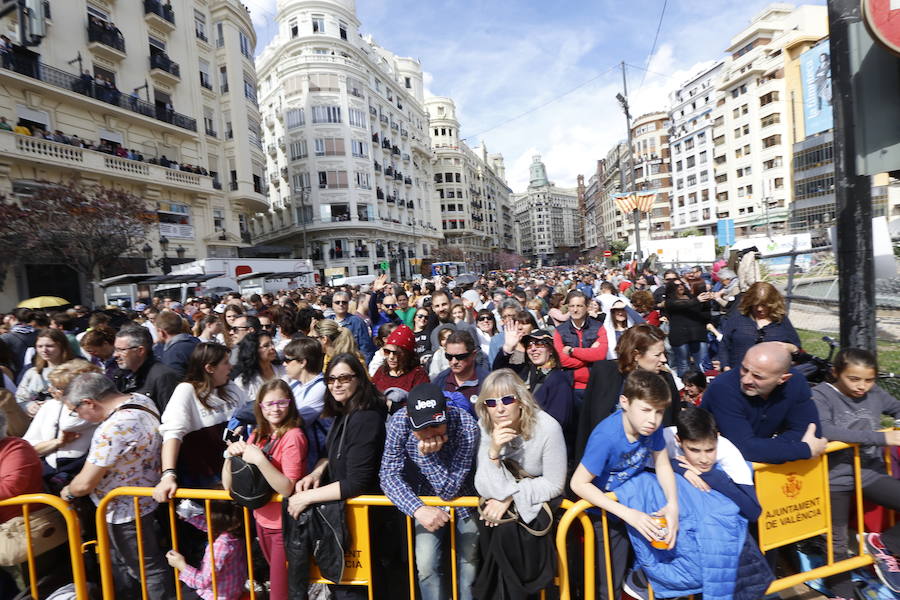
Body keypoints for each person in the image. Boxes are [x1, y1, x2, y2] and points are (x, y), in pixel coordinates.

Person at [60, 373, 175, 598]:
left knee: (145, 568)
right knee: (141, 565)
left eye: (75, 411)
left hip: (124, 511)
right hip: (144, 501)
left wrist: (68, 490)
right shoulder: (141, 400)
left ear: (89, 403)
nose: (77, 416)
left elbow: (84, 484)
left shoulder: (112, 428)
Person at [284, 353, 387, 600]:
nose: (336, 385)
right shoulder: (346, 411)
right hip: (346, 520)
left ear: (359, 380)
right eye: (331, 380)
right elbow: (334, 452)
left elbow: (357, 482)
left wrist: (306, 497)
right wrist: (318, 470)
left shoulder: (366, 417)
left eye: (343, 378)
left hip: (368, 523)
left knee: (354, 593)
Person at [570, 370, 679, 600]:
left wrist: (672, 504)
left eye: (660, 412)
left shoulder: (652, 427)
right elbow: (578, 483)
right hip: (603, 516)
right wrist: (627, 514)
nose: (654, 420)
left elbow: (662, 464)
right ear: (624, 402)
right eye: (646, 410)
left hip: (633, 505)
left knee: (648, 569)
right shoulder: (607, 436)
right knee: (607, 583)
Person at [811, 348, 900, 596]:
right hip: (834, 477)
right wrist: (881, 438)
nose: (862, 386)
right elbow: (826, 430)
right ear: (835, 372)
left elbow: (897, 408)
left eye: (869, 380)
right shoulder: (820, 395)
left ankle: (885, 544)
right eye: (854, 379)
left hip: (869, 472)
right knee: (837, 540)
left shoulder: (874, 393)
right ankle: (841, 588)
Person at [379, 383, 479, 600]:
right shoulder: (400, 422)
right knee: (426, 565)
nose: (429, 432)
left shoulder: (467, 426)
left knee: (468, 563)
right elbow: (387, 475)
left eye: (436, 425)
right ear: (409, 416)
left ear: (447, 413)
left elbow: (449, 490)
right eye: (422, 427)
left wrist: (427, 457)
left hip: (465, 498)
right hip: (423, 499)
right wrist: (417, 509)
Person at [473, 369, 566, 599]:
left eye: (507, 400)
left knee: (506, 534)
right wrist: (493, 452)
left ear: (521, 401)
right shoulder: (486, 425)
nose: (500, 408)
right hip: (501, 507)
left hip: (537, 502)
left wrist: (510, 497)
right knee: (492, 526)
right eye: (491, 403)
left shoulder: (547, 427)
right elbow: (482, 486)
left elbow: (554, 483)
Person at [222, 379, 306, 600]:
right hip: (261, 522)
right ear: (260, 407)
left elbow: (287, 488)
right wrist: (230, 456)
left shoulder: (293, 436)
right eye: (269, 404)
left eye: (281, 402)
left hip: (284, 528)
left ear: (290, 404)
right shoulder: (258, 434)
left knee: (279, 594)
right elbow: (228, 485)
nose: (275, 408)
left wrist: (260, 460)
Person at [701, 342, 826, 464]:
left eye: (758, 376)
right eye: (744, 369)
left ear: (783, 379)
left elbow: (810, 432)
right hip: (713, 466)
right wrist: (804, 449)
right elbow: (745, 449)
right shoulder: (723, 388)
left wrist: (764, 449)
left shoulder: (796, 383)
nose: (746, 380)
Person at [153, 343, 247, 501]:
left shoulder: (231, 388)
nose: (231, 367)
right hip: (207, 482)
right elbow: (172, 434)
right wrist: (168, 475)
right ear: (210, 368)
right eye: (225, 362)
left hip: (236, 474)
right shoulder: (186, 391)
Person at [578, 324, 680, 460]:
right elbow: (586, 422)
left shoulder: (665, 380)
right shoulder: (604, 372)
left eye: (664, 354)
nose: (663, 360)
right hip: (603, 460)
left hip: (650, 462)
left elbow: (672, 425)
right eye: (657, 355)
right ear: (636, 355)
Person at [23, 359, 100, 493]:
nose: (50, 390)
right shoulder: (49, 406)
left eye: (57, 387)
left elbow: (68, 425)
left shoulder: (93, 407)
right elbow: (28, 446)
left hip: (80, 475)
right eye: (51, 385)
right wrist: (56, 442)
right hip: (49, 473)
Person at [165, 500, 246, 600]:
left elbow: (203, 581)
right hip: (231, 590)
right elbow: (210, 526)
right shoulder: (235, 533)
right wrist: (190, 517)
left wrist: (181, 565)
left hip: (214, 596)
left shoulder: (220, 546)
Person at [717, 282, 800, 371]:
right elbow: (724, 345)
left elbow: (797, 348)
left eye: (764, 305)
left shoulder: (781, 320)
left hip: (770, 378)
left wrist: (791, 348)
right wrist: (725, 367)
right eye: (756, 305)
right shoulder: (738, 318)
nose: (759, 309)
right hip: (737, 375)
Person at [282, 337, 329, 473]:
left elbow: (293, 420)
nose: (284, 364)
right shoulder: (295, 384)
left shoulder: (321, 387)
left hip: (316, 461)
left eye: (287, 360)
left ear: (302, 362)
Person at [111, 324, 180, 413]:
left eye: (122, 350)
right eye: (116, 349)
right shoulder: (119, 376)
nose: (115, 355)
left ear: (140, 351)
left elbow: (171, 416)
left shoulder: (163, 376)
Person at [553, 290, 608, 397]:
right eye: (572, 306)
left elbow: (600, 354)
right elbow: (561, 360)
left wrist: (572, 351)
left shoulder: (598, 327)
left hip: (596, 384)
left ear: (587, 307)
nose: (575, 310)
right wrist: (589, 357)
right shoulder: (560, 330)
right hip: (571, 385)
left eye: (579, 306)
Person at [16, 329, 74, 418]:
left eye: (49, 346)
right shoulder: (32, 372)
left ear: (62, 346)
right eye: (39, 346)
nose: (44, 350)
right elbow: (20, 399)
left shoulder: (76, 371)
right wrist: (29, 406)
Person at [371, 325, 430, 413]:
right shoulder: (381, 371)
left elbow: (421, 407)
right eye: (387, 352)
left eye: (396, 353)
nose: (391, 357)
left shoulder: (418, 375)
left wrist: (390, 405)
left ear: (407, 354)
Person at [431, 330, 488, 417]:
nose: (454, 362)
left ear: (473, 355)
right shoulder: (439, 382)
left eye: (460, 357)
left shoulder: (487, 382)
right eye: (449, 357)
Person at [663, 279, 712, 376]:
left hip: (698, 334)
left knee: (702, 364)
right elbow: (682, 304)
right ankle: (686, 387)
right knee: (683, 364)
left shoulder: (693, 298)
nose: (680, 286)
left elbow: (706, 316)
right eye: (676, 285)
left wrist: (706, 302)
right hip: (680, 336)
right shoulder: (670, 301)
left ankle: (705, 387)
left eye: (681, 284)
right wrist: (697, 300)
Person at [232, 332, 285, 402]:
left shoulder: (283, 370)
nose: (272, 347)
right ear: (254, 350)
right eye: (266, 345)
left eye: (272, 343)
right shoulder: (243, 381)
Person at [330, 291, 377, 363]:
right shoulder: (327, 321)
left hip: (351, 363)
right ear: (332, 304)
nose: (341, 304)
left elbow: (365, 348)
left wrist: (363, 368)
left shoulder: (358, 322)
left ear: (348, 304)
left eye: (344, 302)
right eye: (337, 302)